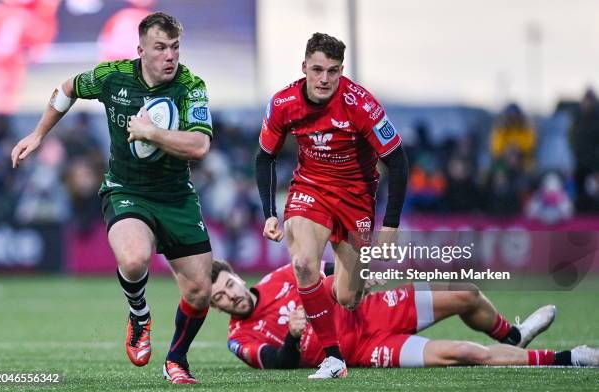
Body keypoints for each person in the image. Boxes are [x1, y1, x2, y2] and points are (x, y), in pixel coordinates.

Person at [11, 12, 213, 384]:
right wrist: (39, 134)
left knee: (201, 291)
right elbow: (67, 88)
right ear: (141, 50)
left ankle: (176, 361)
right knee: (134, 260)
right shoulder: (112, 75)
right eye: (160, 48)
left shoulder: (190, 86)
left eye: (175, 48)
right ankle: (139, 315)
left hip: (175, 196)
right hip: (126, 189)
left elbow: (200, 145)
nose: (170, 56)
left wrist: (152, 134)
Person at [255, 32, 409, 378]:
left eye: (333, 71)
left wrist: (390, 225)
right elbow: (264, 157)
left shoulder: (362, 105)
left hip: (356, 200)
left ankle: (332, 284)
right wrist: (269, 213)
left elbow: (398, 161)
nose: (325, 79)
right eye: (318, 69)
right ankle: (333, 357)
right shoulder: (283, 104)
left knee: (347, 297)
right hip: (310, 189)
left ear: (342, 71)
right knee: (303, 263)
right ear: (304, 67)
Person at [211, 260, 599, 370]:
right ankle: (571, 358)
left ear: (236, 277)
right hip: (364, 348)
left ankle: (512, 336)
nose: (230, 297)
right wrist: (294, 336)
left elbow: (332, 272)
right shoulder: (238, 338)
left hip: (371, 310)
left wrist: (360, 278)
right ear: (216, 308)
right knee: (466, 353)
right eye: (220, 299)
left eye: (228, 286)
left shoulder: (281, 276)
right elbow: (278, 364)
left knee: (464, 292)